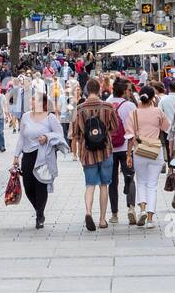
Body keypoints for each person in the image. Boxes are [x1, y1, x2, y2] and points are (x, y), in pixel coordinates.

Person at [70, 78, 118, 232]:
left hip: (87, 152)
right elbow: (115, 128)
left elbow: (75, 133)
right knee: (104, 185)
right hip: (105, 151)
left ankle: (88, 212)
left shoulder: (79, 109)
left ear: (86, 90)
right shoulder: (108, 107)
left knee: (90, 185)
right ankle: (103, 219)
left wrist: (78, 148)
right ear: (99, 89)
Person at [13, 91, 64, 228]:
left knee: (40, 185)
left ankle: (40, 215)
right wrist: (16, 156)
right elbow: (21, 138)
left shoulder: (50, 118)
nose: (33, 102)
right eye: (33, 100)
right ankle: (38, 210)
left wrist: (47, 137)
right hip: (28, 155)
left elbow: (60, 135)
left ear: (44, 103)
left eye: (36, 100)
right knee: (28, 187)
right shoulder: (25, 117)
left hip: (43, 155)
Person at [129, 84, 169, 228]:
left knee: (141, 182)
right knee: (152, 185)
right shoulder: (158, 111)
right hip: (155, 151)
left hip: (139, 150)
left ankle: (143, 210)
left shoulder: (134, 113)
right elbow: (166, 127)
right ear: (153, 98)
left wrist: (128, 154)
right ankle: (150, 219)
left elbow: (129, 135)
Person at [107, 78, 137, 225]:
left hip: (110, 148)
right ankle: (131, 207)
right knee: (130, 177)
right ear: (124, 91)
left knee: (112, 181)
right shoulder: (130, 105)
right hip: (127, 148)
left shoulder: (106, 103)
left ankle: (114, 214)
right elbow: (135, 126)